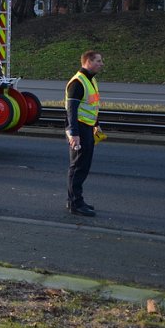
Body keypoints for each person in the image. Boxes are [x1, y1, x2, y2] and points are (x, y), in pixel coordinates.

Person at [65, 50, 104, 217]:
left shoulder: (90, 80)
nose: (102, 64)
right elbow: (71, 110)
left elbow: (91, 105)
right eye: (98, 61)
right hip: (78, 129)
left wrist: (96, 124)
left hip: (87, 128)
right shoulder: (78, 82)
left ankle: (75, 199)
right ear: (88, 61)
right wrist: (74, 133)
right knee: (78, 166)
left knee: (84, 165)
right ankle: (75, 204)